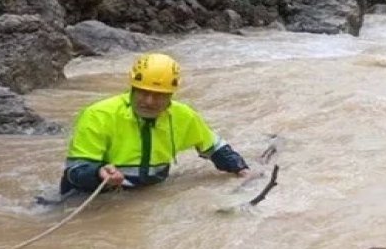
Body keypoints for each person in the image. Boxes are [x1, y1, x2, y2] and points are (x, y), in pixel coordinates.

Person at [60, 53, 249, 195]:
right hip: (92, 196)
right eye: (143, 92)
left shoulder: (183, 116)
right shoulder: (98, 115)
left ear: (171, 95)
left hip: (144, 194)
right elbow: (75, 171)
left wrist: (241, 169)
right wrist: (98, 174)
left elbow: (215, 148)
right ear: (133, 89)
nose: (149, 101)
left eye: (159, 95)